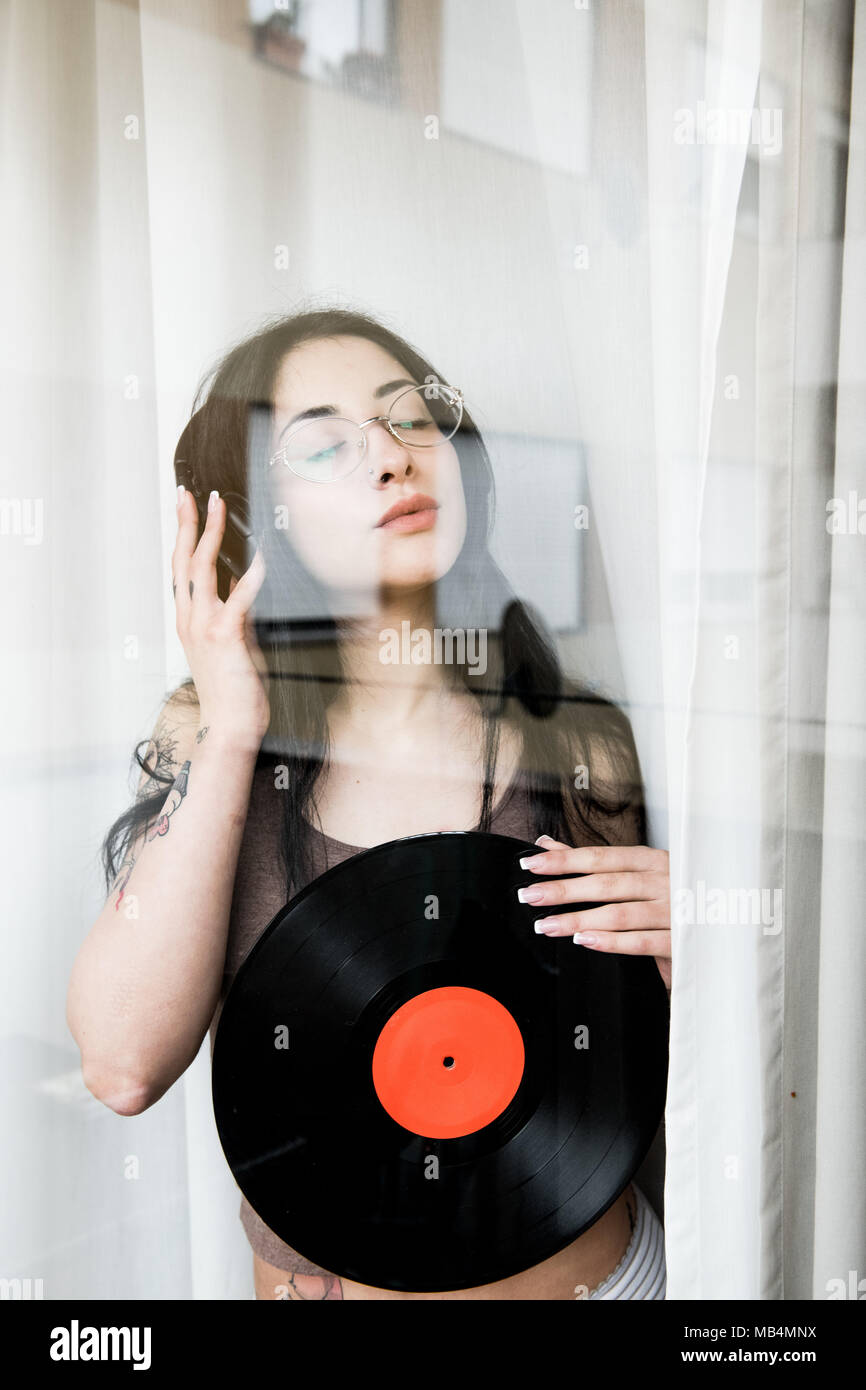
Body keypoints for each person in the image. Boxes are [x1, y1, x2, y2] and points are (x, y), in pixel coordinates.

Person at [67, 307, 672, 1300]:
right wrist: (230, 728)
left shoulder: (574, 740)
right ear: (251, 516)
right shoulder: (212, 740)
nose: (392, 457)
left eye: (411, 419)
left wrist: (702, 948)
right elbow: (123, 1065)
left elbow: (649, 1065)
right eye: (323, 445)